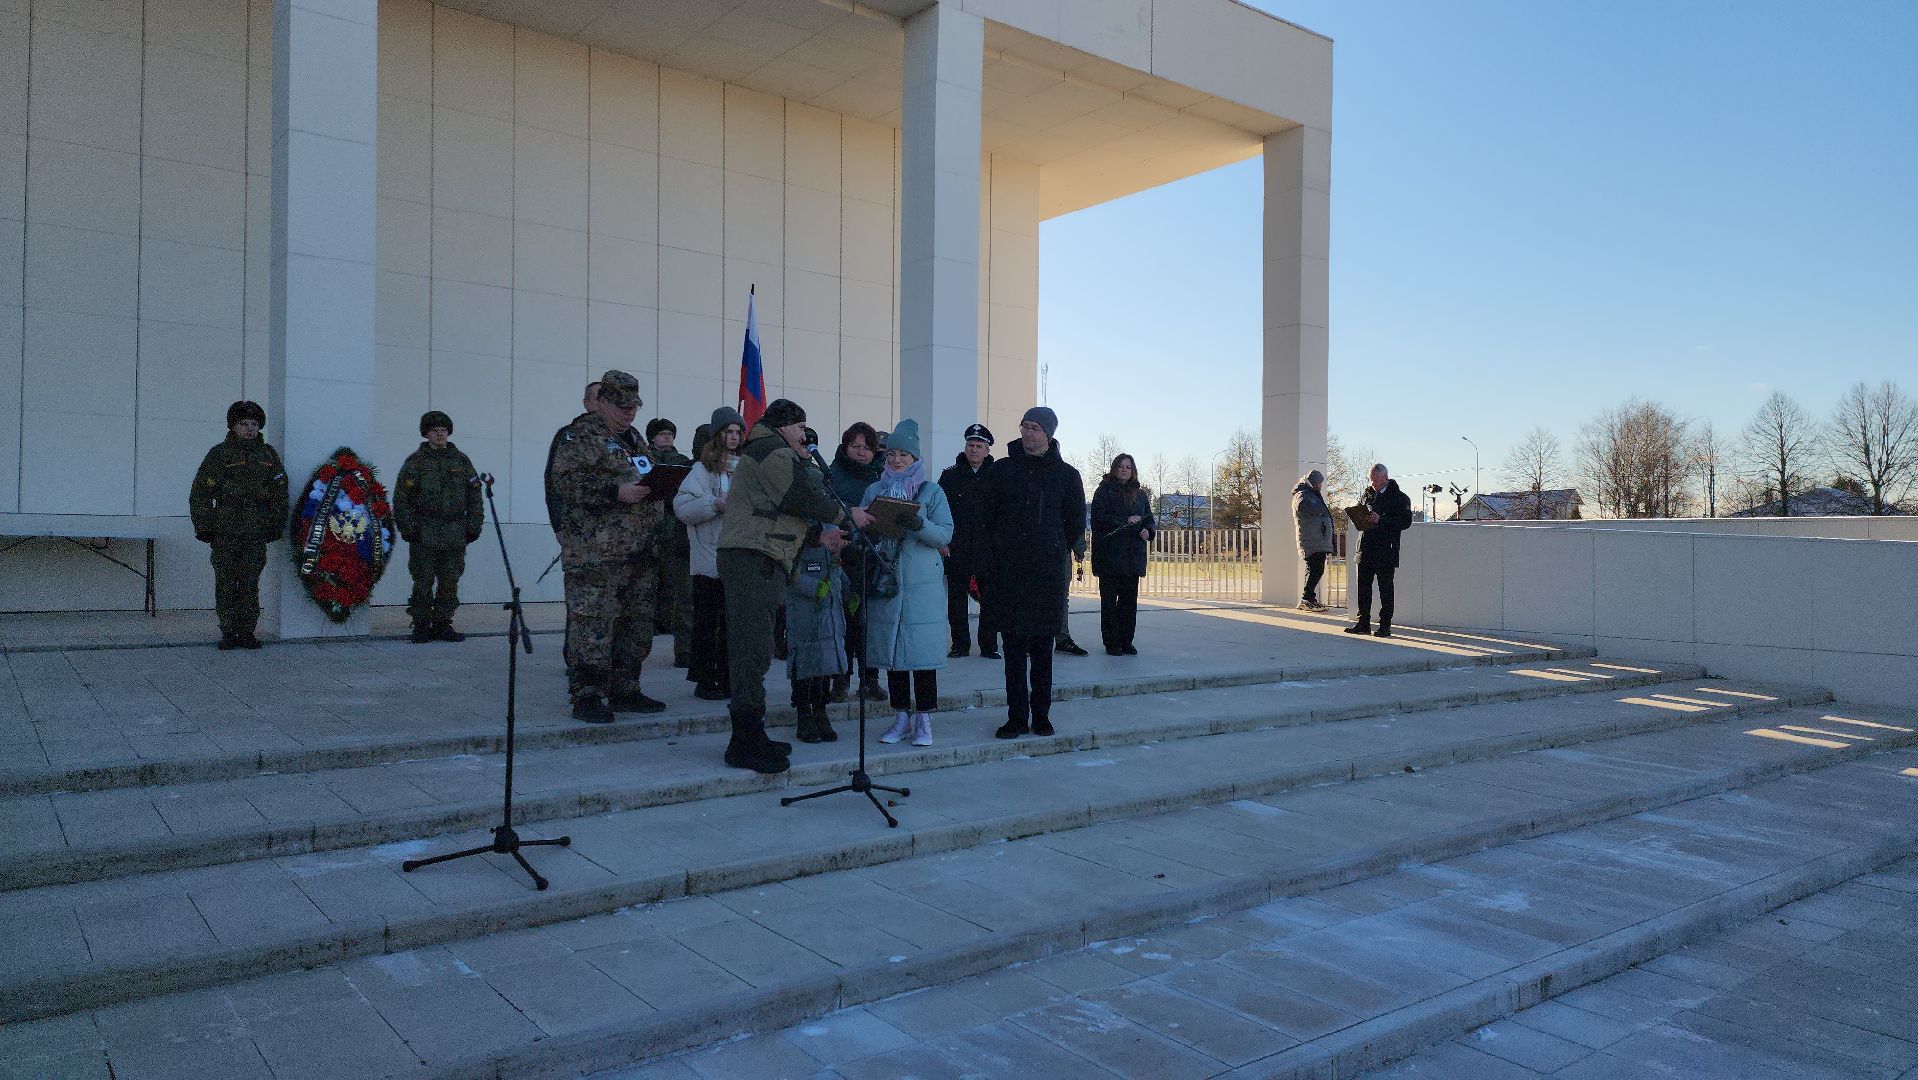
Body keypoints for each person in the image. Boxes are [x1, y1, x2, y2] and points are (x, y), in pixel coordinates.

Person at [717, 398, 870, 773]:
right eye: (800, 427)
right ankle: (743, 742)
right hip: (753, 557)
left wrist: (818, 534)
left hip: (761, 555)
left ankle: (752, 734)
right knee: (751, 649)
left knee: (756, 649)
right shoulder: (772, 450)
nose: (804, 435)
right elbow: (801, 496)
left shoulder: (770, 449)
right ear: (785, 426)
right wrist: (847, 515)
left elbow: (779, 510)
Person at [549, 370, 666, 723]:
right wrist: (614, 492)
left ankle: (625, 688)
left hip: (639, 551)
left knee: (635, 624)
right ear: (601, 402)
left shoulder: (635, 439)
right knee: (593, 625)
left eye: (634, 406)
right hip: (595, 554)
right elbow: (565, 483)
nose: (629, 412)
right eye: (621, 405)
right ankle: (587, 694)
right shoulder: (579, 436)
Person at [978, 407, 1085, 739]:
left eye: (1035, 428)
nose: (1028, 433)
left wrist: (1052, 546)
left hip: (1046, 574)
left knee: (1041, 650)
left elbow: (1075, 523)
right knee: (1012, 650)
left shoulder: (1067, 475)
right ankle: (1016, 717)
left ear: (1049, 434)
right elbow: (986, 516)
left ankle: (1041, 716)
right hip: (1009, 573)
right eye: (1025, 426)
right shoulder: (1002, 470)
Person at [858, 420, 954, 747]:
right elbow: (863, 529)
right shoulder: (875, 490)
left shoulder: (932, 491)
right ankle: (900, 715)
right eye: (892, 454)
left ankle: (923, 718)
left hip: (922, 583)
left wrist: (918, 523)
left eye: (904, 455)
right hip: (887, 579)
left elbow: (944, 534)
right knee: (894, 652)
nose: (897, 460)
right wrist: (870, 529)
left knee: (922, 654)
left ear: (915, 458)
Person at [189, 401, 289, 650]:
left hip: (255, 529)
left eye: (254, 424)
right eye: (243, 424)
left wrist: (275, 524)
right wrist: (204, 526)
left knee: (249, 582)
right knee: (225, 582)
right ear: (233, 426)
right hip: (225, 529)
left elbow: (280, 493)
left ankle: (246, 632)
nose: (249, 429)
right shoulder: (220, 454)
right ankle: (228, 632)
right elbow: (200, 492)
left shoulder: (268, 456)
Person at [393, 410, 483, 643]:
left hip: (455, 530)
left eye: (443, 430)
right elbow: (402, 498)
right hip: (425, 531)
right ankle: (421, 624)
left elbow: (475, 495)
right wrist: (409, 528)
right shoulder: (415, 462)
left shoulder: (461, 461)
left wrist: (474, 525)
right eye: (434, 431)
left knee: (450, 579)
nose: (440, 434)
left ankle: (443, 623)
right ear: (426, 434)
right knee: (423, 580)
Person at [675, 408, 744, 701]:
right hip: (709, 558)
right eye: (728, 431)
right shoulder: (701, 470)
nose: (734, 437)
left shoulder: (745, 467)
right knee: (707, 623)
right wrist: (714, 504)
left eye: (738, 432)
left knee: (733, 624)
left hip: (737, 556)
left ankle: (729, 677)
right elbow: (682, 508)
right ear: (717, 435)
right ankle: (705, 679)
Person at [827, 422, 886, 702]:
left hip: (873, 559)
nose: (861, 453)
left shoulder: (882, 477)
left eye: (867, 448)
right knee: (844, 623)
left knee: (871, 624)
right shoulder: (832, 475)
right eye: (855, 446)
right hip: (843, 558)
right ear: (845, 447)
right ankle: (840, 679)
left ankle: (870, 679)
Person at [785, 522, 850, 743]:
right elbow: (789, 570)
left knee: (826, 659)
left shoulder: (831, 520)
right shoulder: (799, 527)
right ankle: (804, 712)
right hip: (803, 609)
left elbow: (835, 572)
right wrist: (813, 587)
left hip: (828, 609)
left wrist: (836, 558)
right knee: (804, 660)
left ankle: (820, 710)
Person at [938, 423, 997, 659]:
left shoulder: (997, 475)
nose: (974, 450)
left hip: (988, 548)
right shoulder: (950, 476)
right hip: (958, 547)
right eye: (970, 445)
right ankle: (960, 645)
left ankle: (989, 645)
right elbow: (940, 511)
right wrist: (943, 541)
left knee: (990, 600)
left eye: (979, 446)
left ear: (987, 450)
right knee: (956, 601)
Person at [1089, 453, 1154, 656]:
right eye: (1121, 466)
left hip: (1132, 556)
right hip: (1110, 555)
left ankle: (1127, 641)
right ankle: (1112, 642)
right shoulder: (1103, 491)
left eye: (1128, 467)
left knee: (1129, 602)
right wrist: (1125, 520)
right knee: (1109, 602)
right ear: (1114, 468)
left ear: (1133, 471)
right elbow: (1098, 520)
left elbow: (1149, 518)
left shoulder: (1140, 494)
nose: (1125, 470)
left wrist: (1148, 531)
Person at [645, 417, 694, 667]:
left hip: (676, 534)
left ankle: (682, 647)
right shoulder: (642, 460)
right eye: (662, 433)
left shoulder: (683, 463)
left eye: (670, 433)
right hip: (648, 534)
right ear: (652, 438)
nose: (667, 437)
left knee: (680, 592)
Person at [1347, 463, 1413, 638]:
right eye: (1371, 479)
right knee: (1363, 589)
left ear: (1385, 477)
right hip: (1365, 548)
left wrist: (1381, 519)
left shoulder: (1400, 498)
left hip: (1386, 550)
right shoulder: (1367, 494)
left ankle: (1385, 626)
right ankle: (1363, 623)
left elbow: (1405, 522)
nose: (1373, 482)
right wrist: (1358, 517)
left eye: (1376, 479)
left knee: (1385, 590)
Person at [1052, 436, 1092, 658]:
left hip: (1060, 549)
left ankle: (1062, 637)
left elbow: (1075, 515)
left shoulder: (1067, 476)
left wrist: (1078, 547)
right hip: (1033, 549)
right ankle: (1032, 639)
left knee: (1061, 596)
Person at [1292, 469, 1335, 611]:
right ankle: (1306, 598)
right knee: (1316, 569)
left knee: (1314, 569)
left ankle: (1309, 599)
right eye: (1320, 483)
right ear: (1314, 483)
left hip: (1316, 539)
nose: (1321, 486)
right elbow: (1302, 506)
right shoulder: (1303, 494)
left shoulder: (1309, 493)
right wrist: (1320, 509)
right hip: (1312, 540)